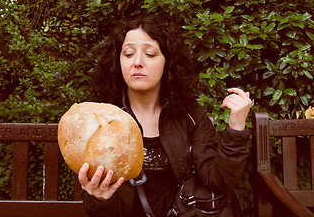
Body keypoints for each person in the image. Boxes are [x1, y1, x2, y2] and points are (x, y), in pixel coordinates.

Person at [78, 17, 252, 217]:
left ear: (167, 62)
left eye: (150, 54)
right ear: (118, 61)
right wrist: (99, 199)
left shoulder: (189, 114)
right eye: (128, 54)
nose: (137, 62)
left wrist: (236, 128)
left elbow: (218, 180)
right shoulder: (102, 120)